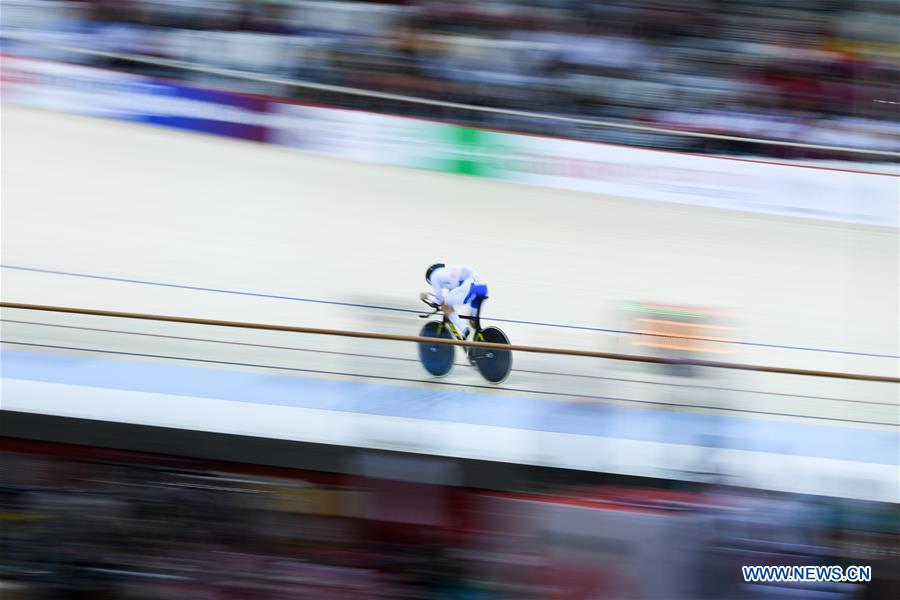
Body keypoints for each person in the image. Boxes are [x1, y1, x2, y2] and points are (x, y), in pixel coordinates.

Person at [420, 263, 488, 340]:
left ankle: (464, 329)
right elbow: (452, 294)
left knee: (445, 306)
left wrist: (426, 296)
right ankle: (480, 341)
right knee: (473, 322)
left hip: (470, 287)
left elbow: (440, 301)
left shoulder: (434, 276)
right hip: (483, 288)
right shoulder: (449, 272)